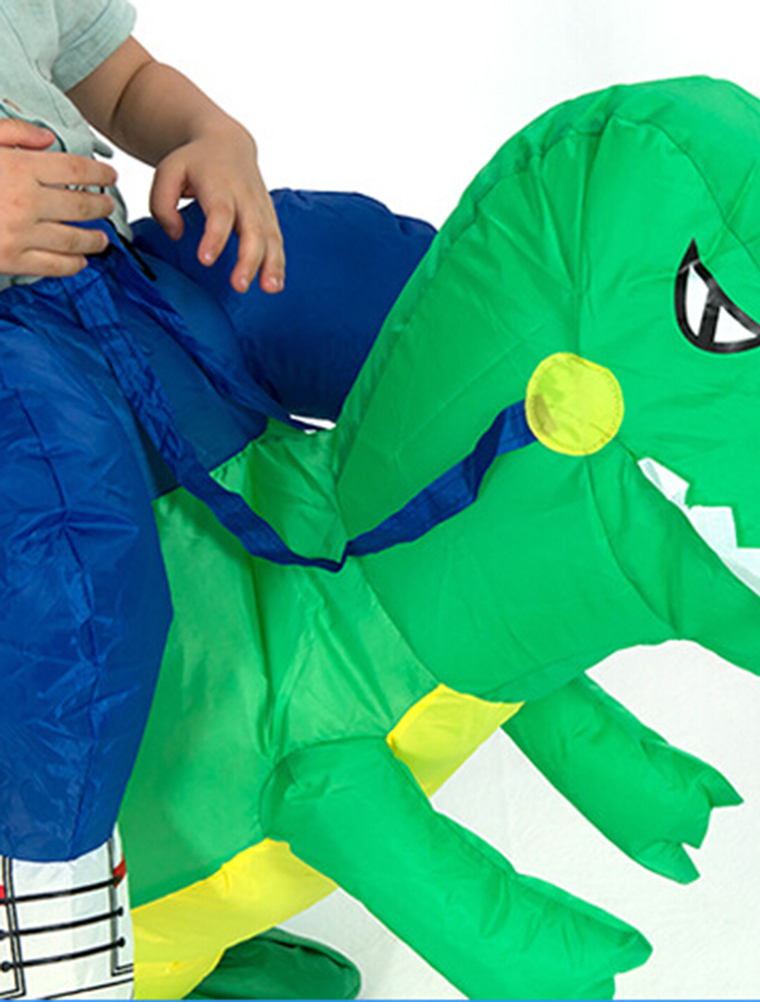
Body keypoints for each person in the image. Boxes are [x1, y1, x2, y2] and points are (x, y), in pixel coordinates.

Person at [0, 1, 434, 997]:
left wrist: (207, 132)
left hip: (106, 286)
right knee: (71, 564)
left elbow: (111, 72)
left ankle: (185, 895)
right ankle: (52, 950)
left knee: (375, 289)